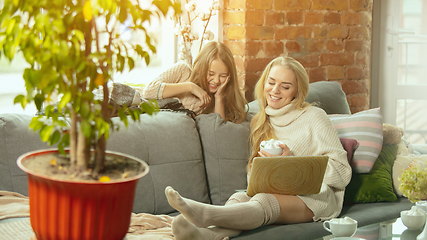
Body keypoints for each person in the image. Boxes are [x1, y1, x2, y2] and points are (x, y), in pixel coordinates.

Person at [164, 56, 352, 240]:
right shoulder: (260, 121)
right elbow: (254, 179)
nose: (275, 91)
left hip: (316, 198)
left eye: (285, 86)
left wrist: (289, 163)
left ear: (297, 91)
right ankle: (207, 234)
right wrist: (263, 170)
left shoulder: (314, 116)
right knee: (239, 198)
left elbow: (343, 173)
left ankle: (206, 215)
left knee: (263, 201)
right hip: (274, 192)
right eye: (271, 83)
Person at [141, 41, 247, 123]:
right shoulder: (183, 71)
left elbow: (218, 133)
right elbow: (148, 92)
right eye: (210, 74)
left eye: (223, 76)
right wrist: (191, 87)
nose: (216, 80)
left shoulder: (223, 98)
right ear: (200, 68)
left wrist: (219, 99)